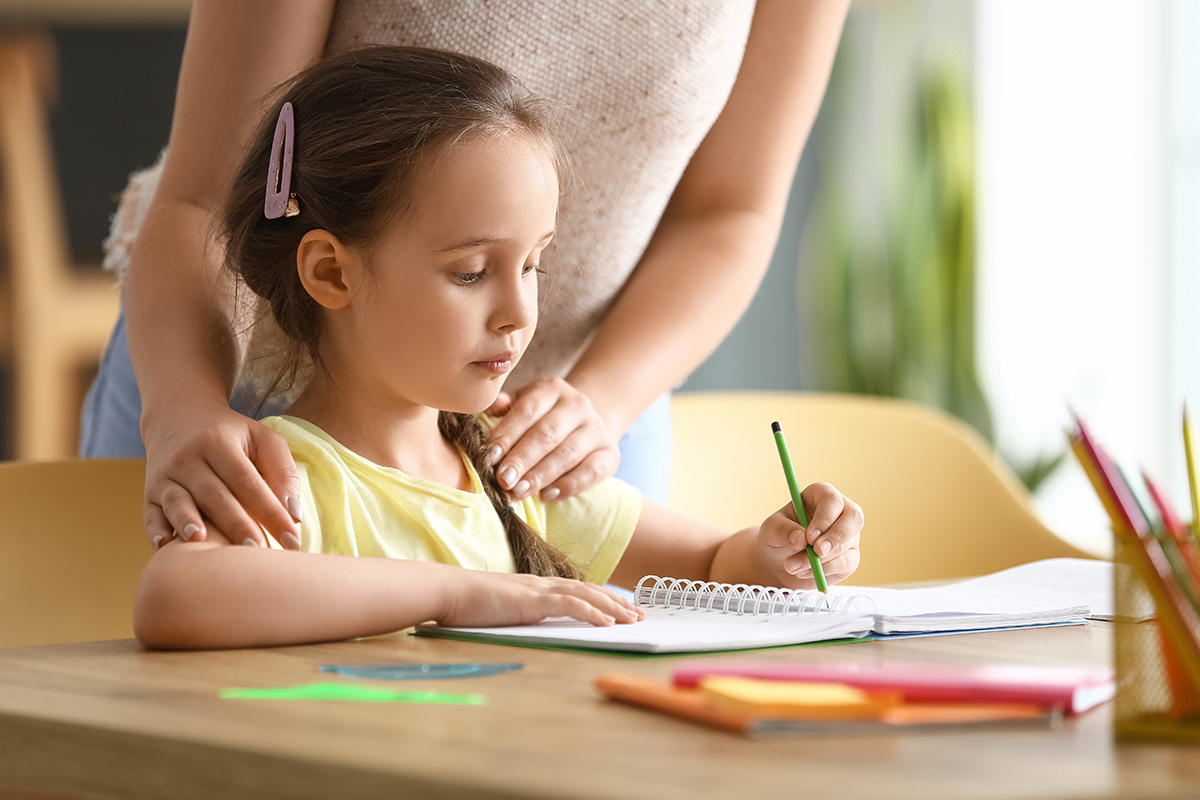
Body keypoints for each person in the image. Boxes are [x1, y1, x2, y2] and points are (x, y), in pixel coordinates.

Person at [132, 46, 863, 650]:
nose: (519, 314)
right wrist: (459, 592)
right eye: (472, 272)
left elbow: (708, 565)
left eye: (533, 265)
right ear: (330, 271)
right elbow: (173, 597)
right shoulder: (285, 476)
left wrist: (778, 555)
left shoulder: (509, 467)